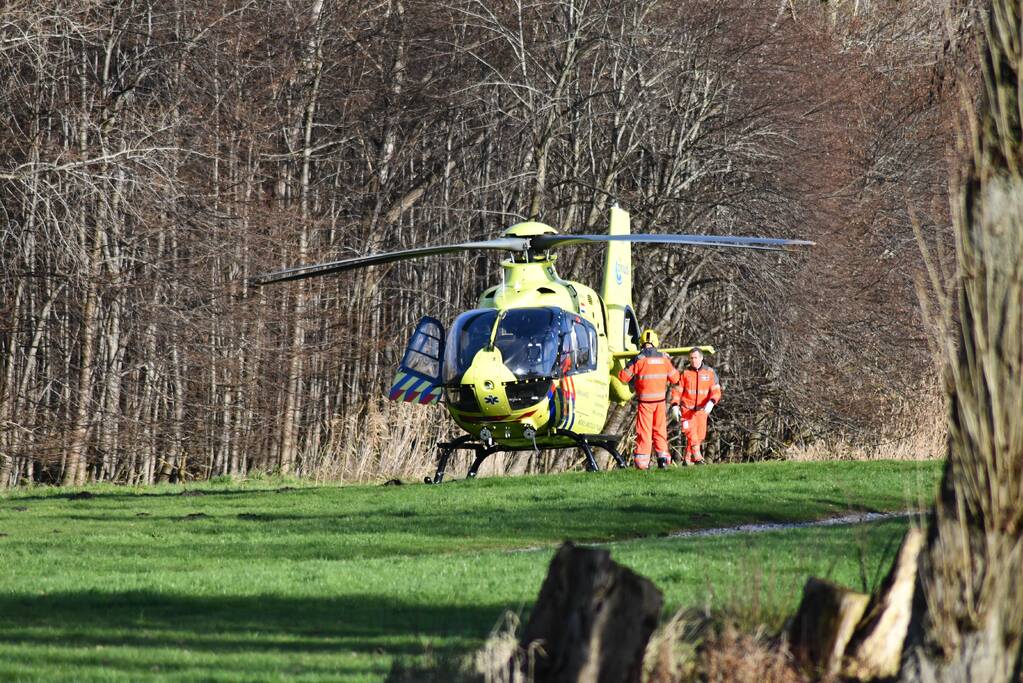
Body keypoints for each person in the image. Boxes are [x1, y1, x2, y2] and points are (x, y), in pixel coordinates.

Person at [617, 329, 680, 470]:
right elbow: (675, 378)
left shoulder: (639, 359)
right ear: (656, 341)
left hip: (645, 403)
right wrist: (669, 362)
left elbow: (623, 377)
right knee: (660, 431)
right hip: (660, 402)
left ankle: (642, 462)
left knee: (644, 433)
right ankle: (662, 460)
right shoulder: (663, 359)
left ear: (642, 343)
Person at [670, 348, 722, 465]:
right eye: (691, 358)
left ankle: (687, 460)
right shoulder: (685, 373)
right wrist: (674, 405)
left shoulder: (710, 372)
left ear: (701, 358)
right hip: (687, 410)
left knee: (699, 436)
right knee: (691, 434)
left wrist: (711, 402)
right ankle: (698, 458)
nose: (693, 360)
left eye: (695, 357)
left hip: (702, 411)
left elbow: (716, 391)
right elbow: (677, 391)